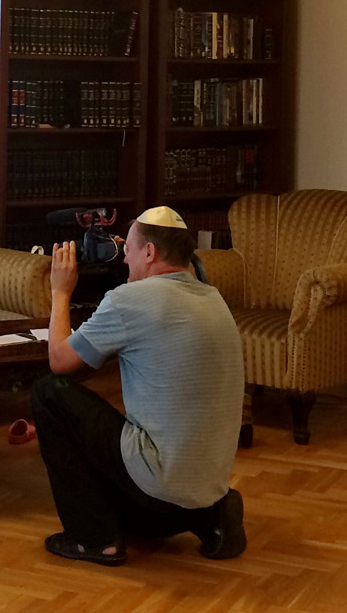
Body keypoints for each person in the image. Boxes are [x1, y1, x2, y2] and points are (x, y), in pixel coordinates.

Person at [32, 205, 246, 566]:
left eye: (128, 249)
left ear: (149, 252)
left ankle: (94, 539)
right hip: (207, 487)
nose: (124, 259)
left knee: (49, 393)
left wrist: (60, 291)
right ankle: (213, 516)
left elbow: (60, 360)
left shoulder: (129, 300)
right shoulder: (214, 298)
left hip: (157, 494)